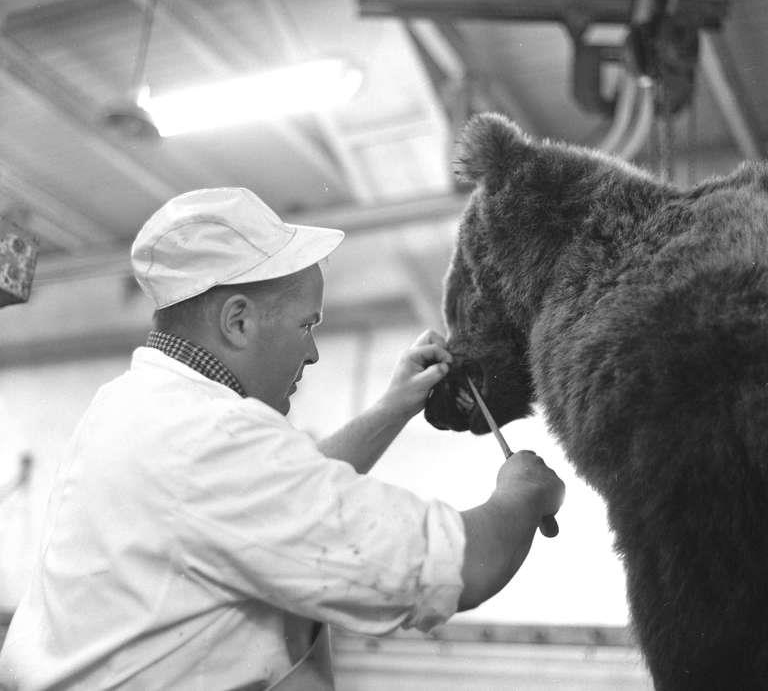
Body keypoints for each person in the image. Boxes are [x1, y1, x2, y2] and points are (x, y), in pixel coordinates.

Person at [0, 187, 564, 690]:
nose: (313, 351)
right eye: (307, 324)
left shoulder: (132, 407)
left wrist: (393, 408)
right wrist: (524, 493)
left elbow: (276, 503)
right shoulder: (211, 439)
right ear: (238, 322)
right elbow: (457, 568)